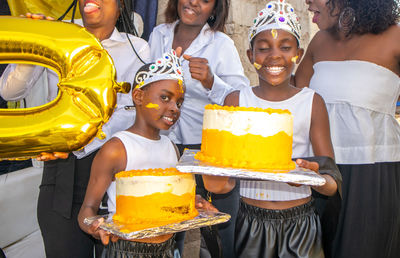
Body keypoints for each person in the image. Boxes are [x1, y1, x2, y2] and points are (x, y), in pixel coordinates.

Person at [0, 0, 150, 257]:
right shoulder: (59, 35)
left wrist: (87, 136)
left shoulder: (137, 48)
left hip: (116, 175)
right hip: (62, 176)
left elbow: (136, 112)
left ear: (121, 4)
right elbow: (9, 91)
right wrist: (35, 41)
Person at [202, 1, 342, 257]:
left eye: (285, 48)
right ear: (250, 56)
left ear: (298, 54)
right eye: (263, 49)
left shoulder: (312, 102)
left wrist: (313, 176)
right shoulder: (236, 101)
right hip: (248, 222)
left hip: (301, 225)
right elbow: (221, 182)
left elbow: (332, 183)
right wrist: (212, 182)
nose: (275, 56)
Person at [294, 0, 400, 257]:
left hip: (372, 174)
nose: (307, 3)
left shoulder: (395, 37)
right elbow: (296, 97)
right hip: (319, 169)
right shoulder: (319, 41)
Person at [148, 0, 250, 256]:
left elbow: (240, 98)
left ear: (215, 9)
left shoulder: (221, 44)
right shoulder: (158, 35)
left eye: (205, 0)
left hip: (208, 152)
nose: (193, 2)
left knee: (220, 229)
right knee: (170, 229)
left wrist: (210, 81)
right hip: (164, 149)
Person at [78, 50, 186, 257]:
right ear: (138, 96)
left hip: (167, 248)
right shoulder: (117, 149)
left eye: (179, 102)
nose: (174, 108)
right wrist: (94, 225)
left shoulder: (171, 147)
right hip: (127, 250)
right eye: (165, 98)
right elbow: (87, 210)